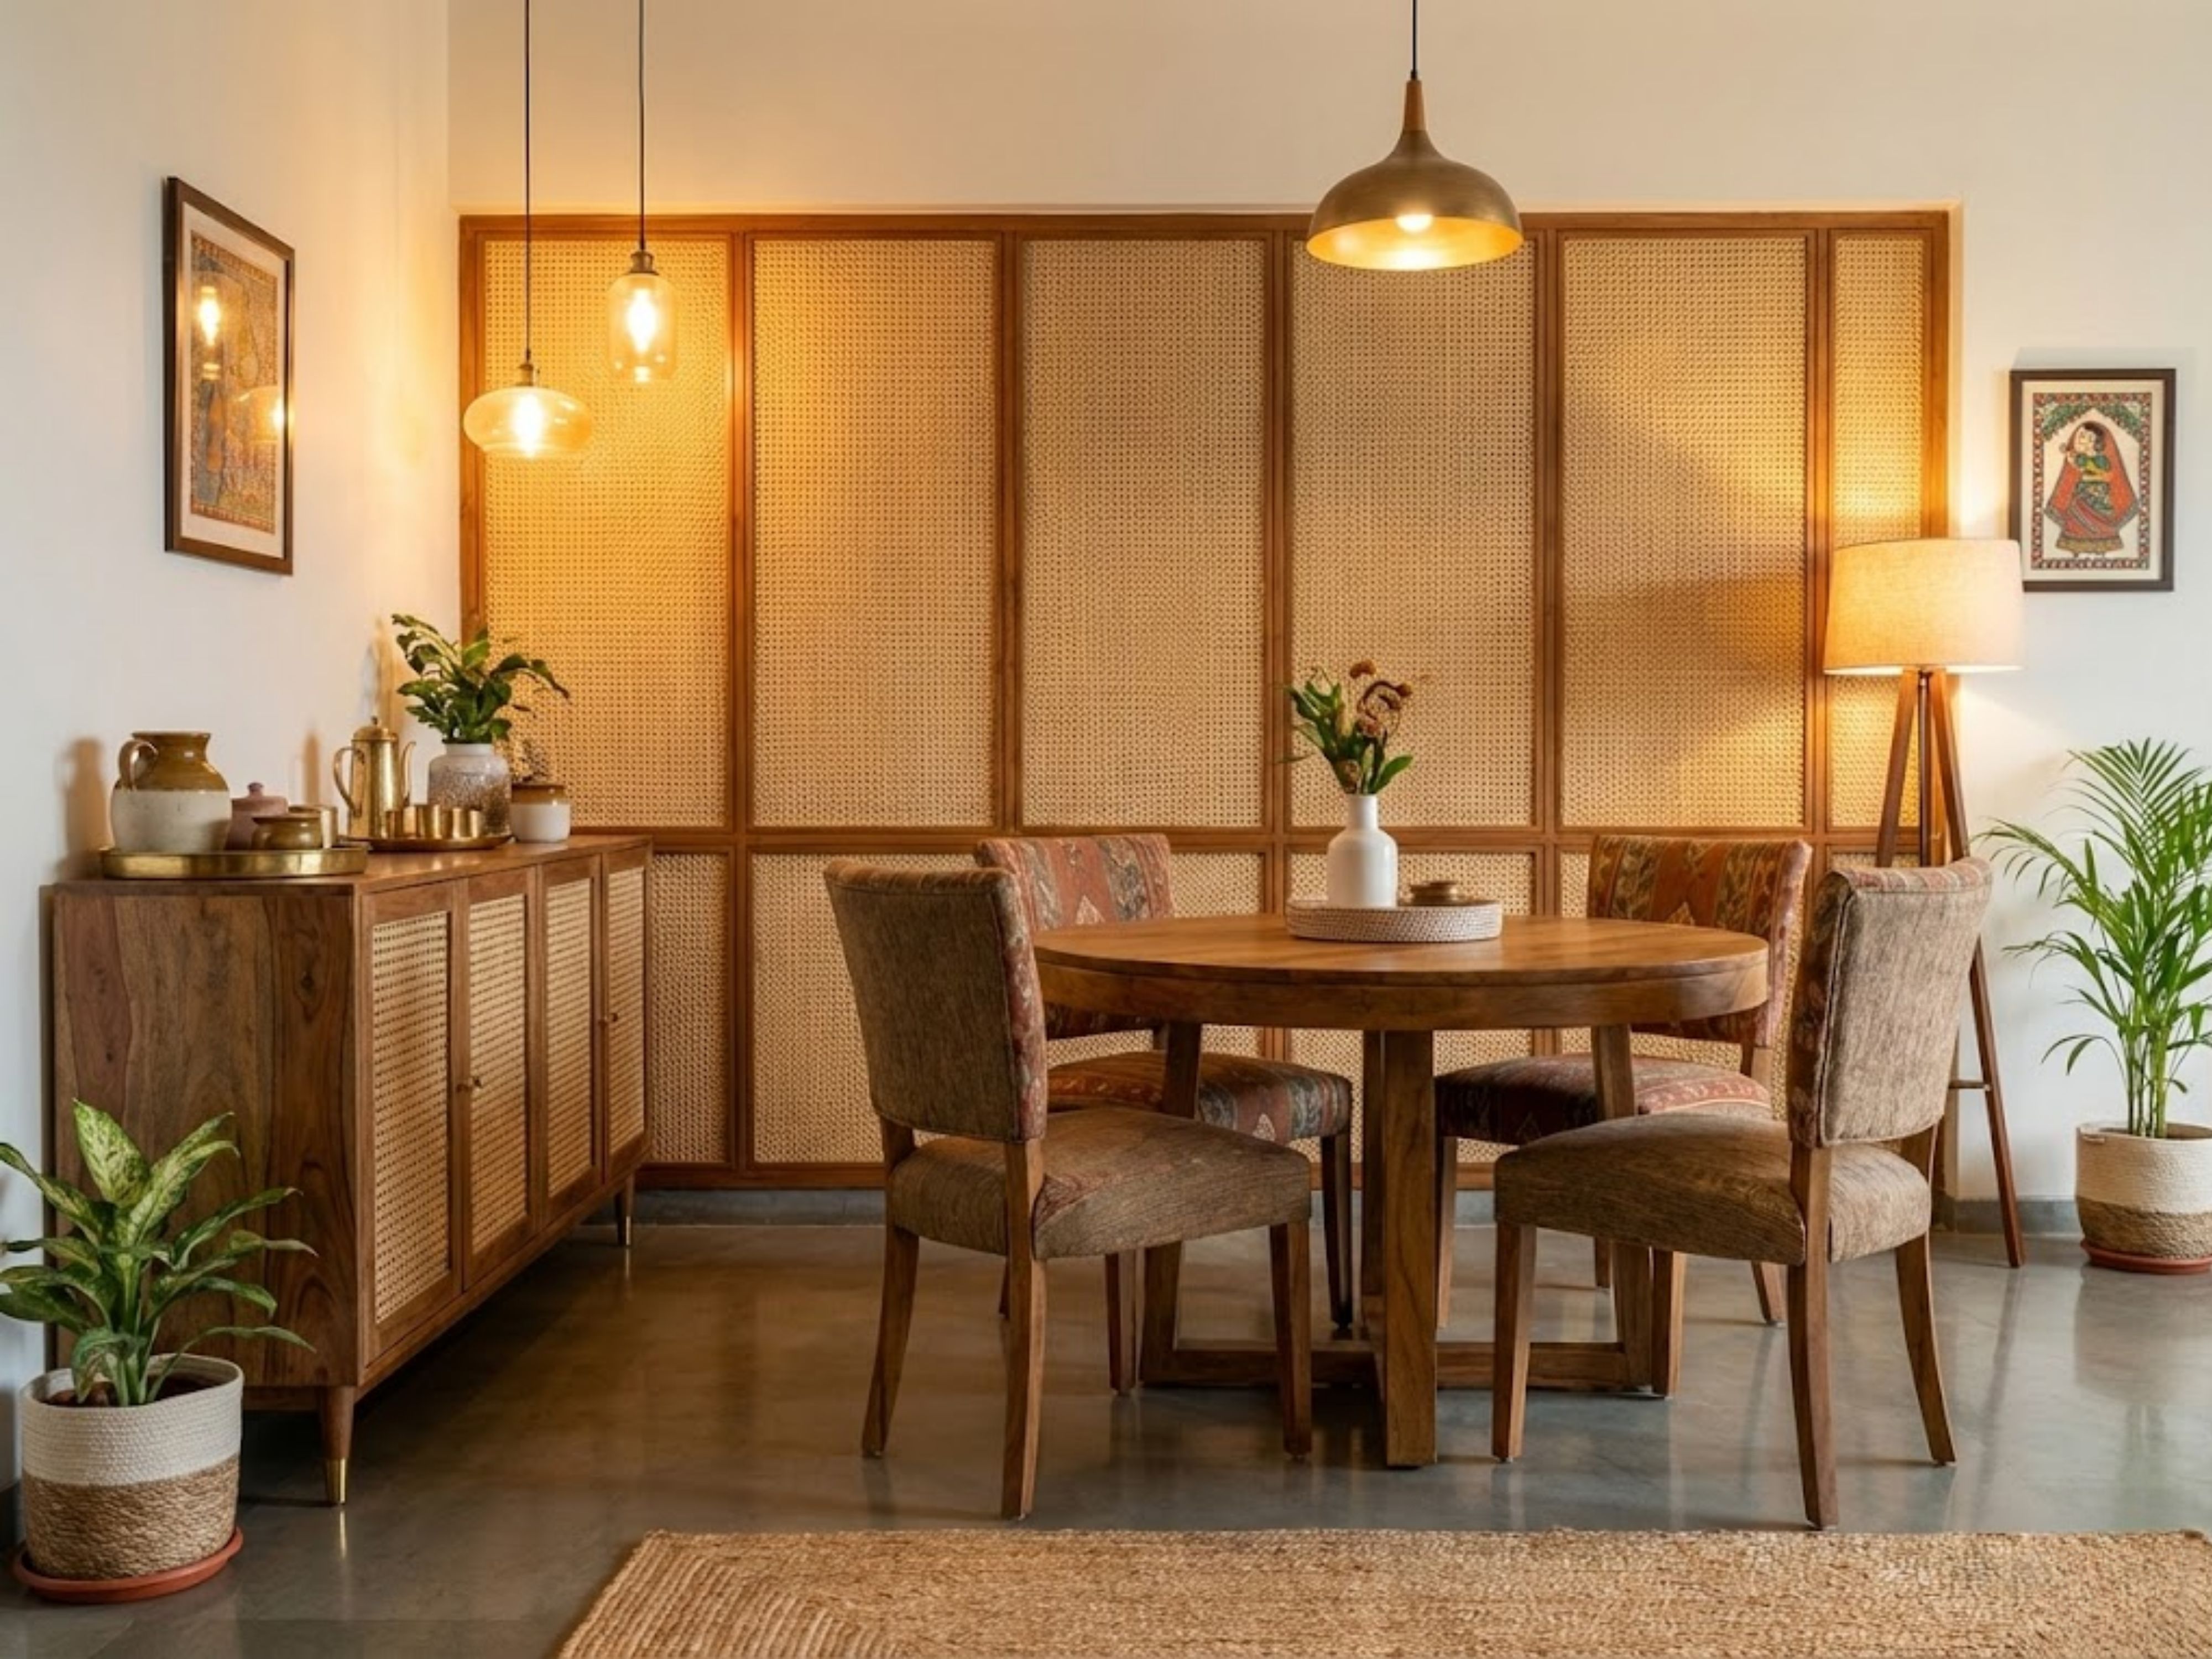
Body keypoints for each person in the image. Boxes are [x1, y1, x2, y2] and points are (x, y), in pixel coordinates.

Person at [2044, 419, 2137, 556]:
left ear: (2097, 442)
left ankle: (2102, 545)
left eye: (2089, 438)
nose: (2083, 441)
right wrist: (2073, 459)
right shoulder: (2082, 458)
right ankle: (2076, 545)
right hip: (2081, 493)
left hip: (2098, 496)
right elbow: (2079, 466)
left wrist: (2080, 461)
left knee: (2099, 519)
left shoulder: (2101, 459)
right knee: (2075, 515)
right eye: (2081, 437)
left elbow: (2101, 472)